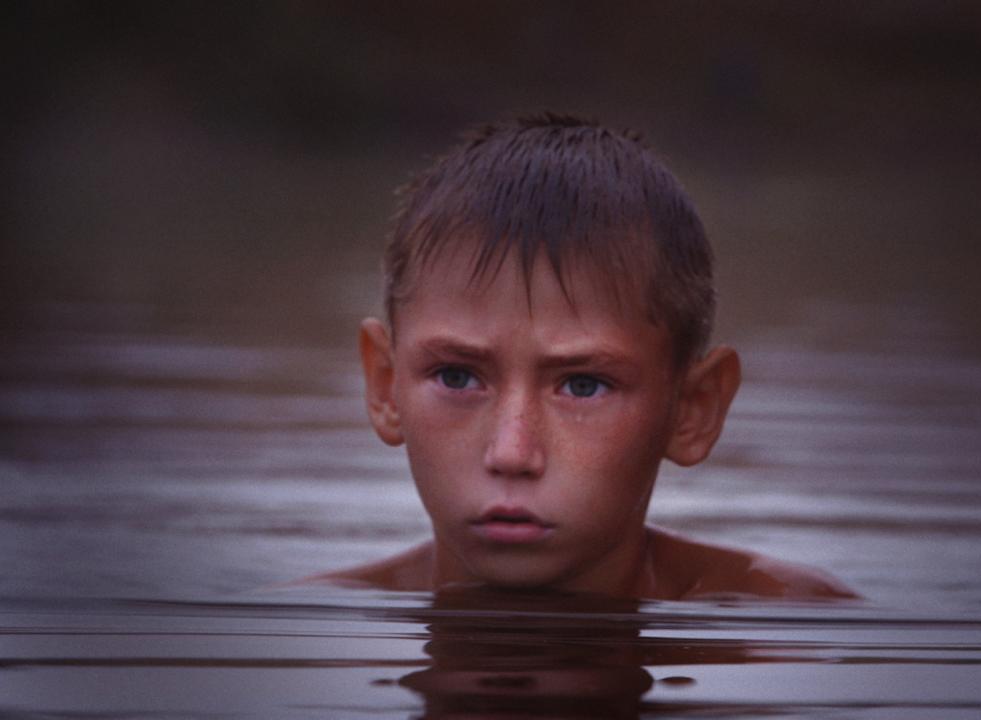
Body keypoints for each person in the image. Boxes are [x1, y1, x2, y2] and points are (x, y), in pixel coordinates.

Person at [309, 113, 855, 600]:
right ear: (385, 385)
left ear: (693, 409)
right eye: (457, 376)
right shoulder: (315, 641)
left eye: (582, 385)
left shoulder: (783, 636)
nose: (512, 453)